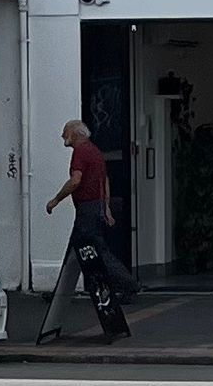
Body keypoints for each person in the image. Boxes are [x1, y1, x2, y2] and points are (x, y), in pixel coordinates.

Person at [45, 120, 138, 301]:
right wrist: (105, 207)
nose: (63, 135)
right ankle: (60, 292)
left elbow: (75, 181)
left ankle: (128, 285)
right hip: (95, 207)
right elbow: (104, 181)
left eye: (66, 131)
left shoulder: (80, 153)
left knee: (98, 251)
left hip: (87, 209)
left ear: (76, 134)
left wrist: (55, 200)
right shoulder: (95, 152)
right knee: (74, 251)